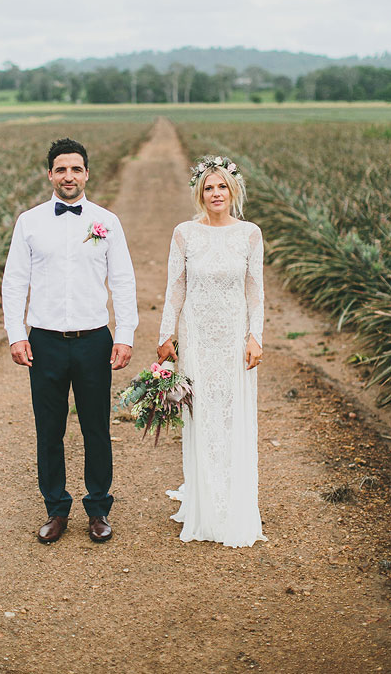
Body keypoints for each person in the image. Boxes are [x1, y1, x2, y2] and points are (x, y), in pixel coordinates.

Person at [2, 137, 138, 544]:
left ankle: (98, 509)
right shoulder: (29, 222)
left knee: (96, 427)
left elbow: (123, 281)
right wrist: (15, 334)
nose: (69, 176)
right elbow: (14, 283)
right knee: (49, 429)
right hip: (43, 340)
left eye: (76, 169)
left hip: (94, 338)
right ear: (50, 175)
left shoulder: (106, 222)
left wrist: (125, 335)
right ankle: (56, 509)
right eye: (61, 169)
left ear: (87, 174)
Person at [157, 155, 267, 548]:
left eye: (222, 186)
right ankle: (205, 503)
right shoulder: (185, 233)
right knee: (202, 417)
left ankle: (234, 503)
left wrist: (256, 336)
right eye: (208, 187)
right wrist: (166, 334)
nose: (215, 193)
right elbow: (176, 287)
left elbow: (255, 290)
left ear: (233, 190)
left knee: (233, 416)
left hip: (234, 340)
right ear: (199, 194)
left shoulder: (250, 234)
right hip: (199, 339)